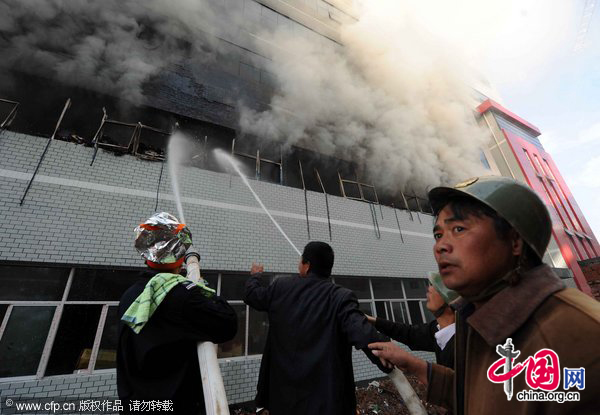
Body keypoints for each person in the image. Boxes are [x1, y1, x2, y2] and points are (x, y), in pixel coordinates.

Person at [369, 176, 600, 415]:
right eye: (438, 235)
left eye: (459, 229)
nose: (440, 246)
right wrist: (413, 364)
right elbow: (485, 396)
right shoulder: (478, 321)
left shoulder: (580, 335)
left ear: (514, 241)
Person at [244, 241, 391, 415]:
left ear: (307, 266)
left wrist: (255, 276)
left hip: (284, 401)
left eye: (300, 261)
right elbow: (362, 332)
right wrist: (388, 356)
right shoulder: (340, 297)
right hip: (328, 404)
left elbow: (251, 295)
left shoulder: (280, 287)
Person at [117, 212, 237, 414]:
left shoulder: (132, 295)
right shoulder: (181, 296)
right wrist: (200, 287)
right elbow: (227, 323)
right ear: (178, 253)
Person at [366, 272, 457, 368]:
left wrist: (409, 362)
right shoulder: (437, 330)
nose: (429, 289)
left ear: (453, 303)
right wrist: (373, 320)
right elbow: (409, 333)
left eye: (437, 287)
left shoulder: (464, 344)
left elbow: (451, 380)